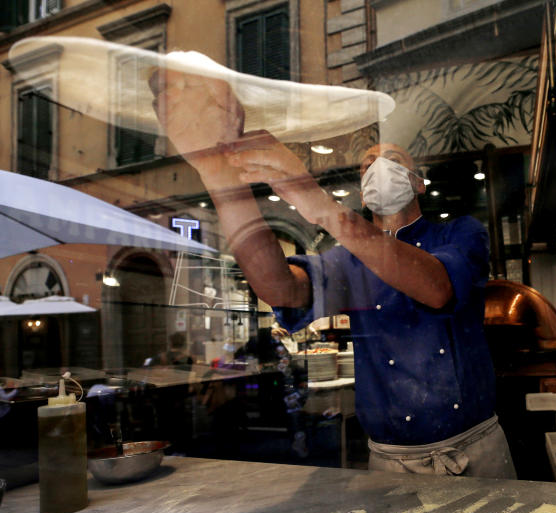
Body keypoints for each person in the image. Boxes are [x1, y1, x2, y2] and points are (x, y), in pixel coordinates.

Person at [152, 69, 515, 479]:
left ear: (418, 184)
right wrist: (220, 179)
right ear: (362, 193)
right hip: (389, 461)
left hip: (473, 450)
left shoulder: (462, 233)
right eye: (367, 165)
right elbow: (281, 289)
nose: (379, 167)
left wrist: (318, 203)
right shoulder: (348, 260)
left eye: (393, 161)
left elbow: (435, 288)